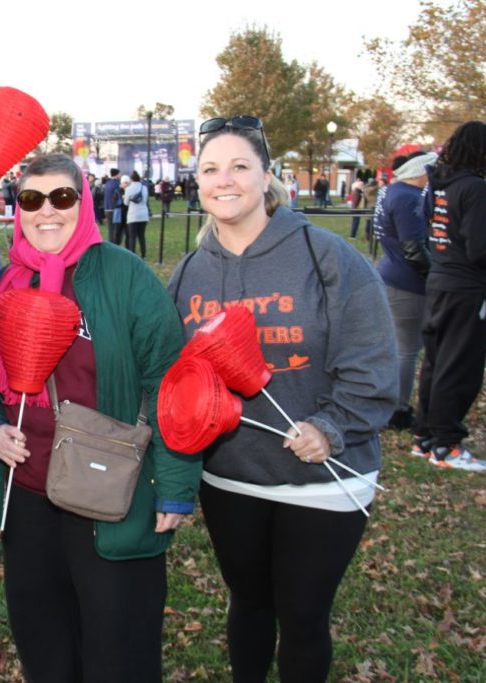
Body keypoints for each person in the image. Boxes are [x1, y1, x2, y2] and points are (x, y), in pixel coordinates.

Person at [168, 116, 398, 683]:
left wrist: (332, 427)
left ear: (267, 176)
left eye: (240, 166)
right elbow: (175, 378)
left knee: (301, 616)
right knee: (247, 604)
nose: (226, 181)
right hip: (231, 477)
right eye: (211, 169)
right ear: (197, 181)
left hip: (324, 480)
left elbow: (373, 368)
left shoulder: (329, 260)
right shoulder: (189, 274)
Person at [0, 153, 201, 681]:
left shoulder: (124, 275)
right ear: (17, 208)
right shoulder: (8, 283)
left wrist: (174, 481)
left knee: (117, 650)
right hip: (27, 489)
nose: (46, 211)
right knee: (45, 646)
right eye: (32, 200)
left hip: (112, 490)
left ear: (83, 204)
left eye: (63, 197)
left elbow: (170, 380)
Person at [413, 120, 486, 471]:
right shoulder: (474, 188)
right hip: (465, 286)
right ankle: (446, 444)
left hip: (440, 281)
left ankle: (425, 437)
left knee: (435, 362)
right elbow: (480, 249)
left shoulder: (440, 184)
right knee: (458, 366)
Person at [372, 151, 436, 431]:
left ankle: (384, 400)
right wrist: (435, 275)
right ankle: (397, 408)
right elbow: (413, 248)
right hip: (407, 282)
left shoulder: (390, 191)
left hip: (389, 272)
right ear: (422, 172)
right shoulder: (409, 198)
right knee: (406, 351)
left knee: (393, 348)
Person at [124, 170, 149, 257]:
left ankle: (132, 253)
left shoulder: (129, 189)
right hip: (143, 214)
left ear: (131, 179)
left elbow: (126, 203)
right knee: (141, 235)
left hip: (133, 215)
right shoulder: (144, 188)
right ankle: (143, 252)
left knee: (132, 236)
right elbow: (145, 200)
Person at [102, 167, 122, 243]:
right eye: (119, 174)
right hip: (115, 208)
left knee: (110, 228)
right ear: (116, 174)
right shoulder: (117, 184)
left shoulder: (107, 183)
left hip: (107, 208)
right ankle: (115, 243)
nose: (120, 176)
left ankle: (110, 242)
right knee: (116, 229)